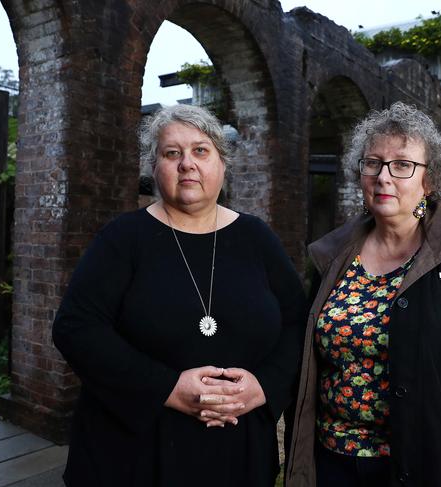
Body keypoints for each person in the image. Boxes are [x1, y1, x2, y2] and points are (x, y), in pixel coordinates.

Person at [52, 104, 308, 486]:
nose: (187, 163)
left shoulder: (257, 238)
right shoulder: (123, 238)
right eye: (172, 153)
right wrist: (166, 388)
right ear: (154, 167)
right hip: (133, 453)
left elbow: (298, 322)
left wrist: (264, 386)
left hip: (236, 451)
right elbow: (76, 328)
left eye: (201, 151)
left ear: (222, 163)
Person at [285, 102, 441, 487]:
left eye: (402, 165)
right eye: (373, 163)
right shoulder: (333, 255)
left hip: (429, 463)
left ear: (428, 181)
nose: (384, 176)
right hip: (334, 462)